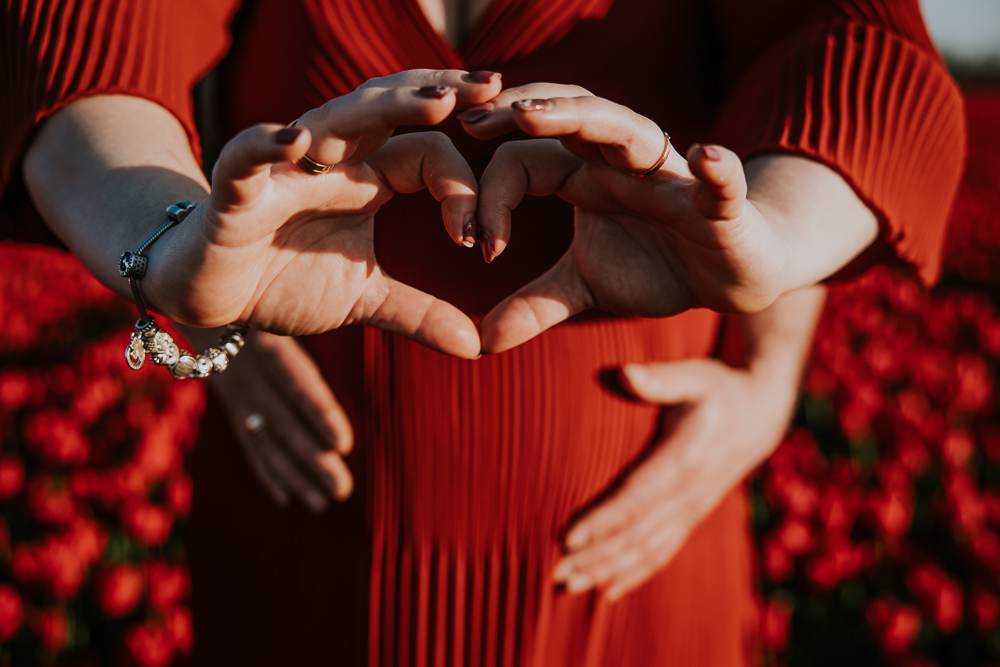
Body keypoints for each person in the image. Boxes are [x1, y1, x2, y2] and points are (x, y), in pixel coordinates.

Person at [1, 0, 964, 665]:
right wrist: (168, 247)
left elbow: (847, 53)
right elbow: (86, 39)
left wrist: (772, 295)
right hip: (305, 539)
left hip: (631, 565)